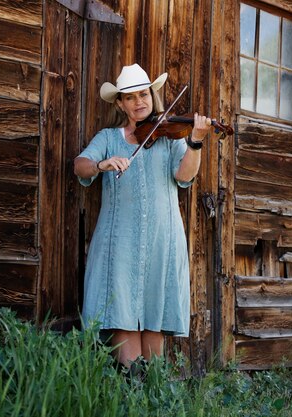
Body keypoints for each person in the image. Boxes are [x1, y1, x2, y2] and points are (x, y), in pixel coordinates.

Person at [74, 64, 211, 369]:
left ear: (153, 95)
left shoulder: (169, 136)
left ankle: (153, 397)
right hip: (119, 244)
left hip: (161, 242)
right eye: (131, 97)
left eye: (144, 94)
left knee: (154, 325)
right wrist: (101, 165)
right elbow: (80, 165)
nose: (139, 102)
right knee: (126, 332)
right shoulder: (109, 138)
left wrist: (195, 141)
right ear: (120, 103)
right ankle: (130, 395)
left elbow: (184, 175)